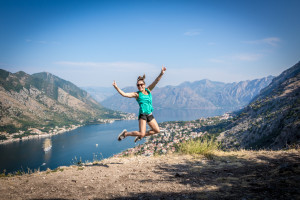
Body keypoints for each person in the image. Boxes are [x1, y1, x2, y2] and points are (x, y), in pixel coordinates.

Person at [113, 66, 167, 142]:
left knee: (157, 130)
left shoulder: (148, 90)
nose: (140, 86)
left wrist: (161, 73)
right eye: (138, 85)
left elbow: (156, 81)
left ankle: (140, 135)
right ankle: (125, 134)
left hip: (149, 114)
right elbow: (124, 94)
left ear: (144, 85)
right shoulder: (137, 94)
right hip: (143, 115)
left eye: (141, 84)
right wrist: (116, 87)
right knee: (142, 133)